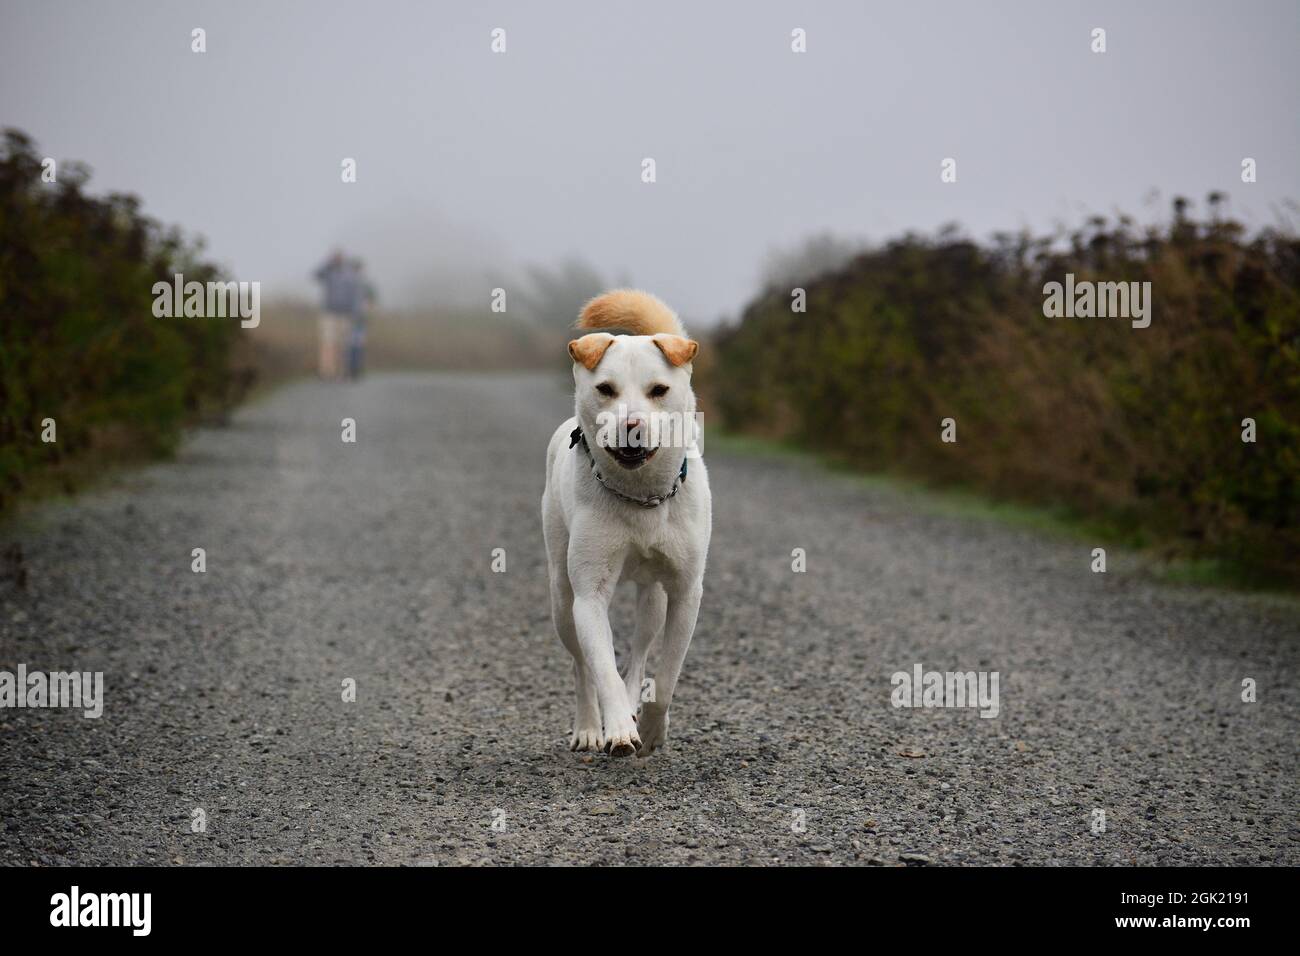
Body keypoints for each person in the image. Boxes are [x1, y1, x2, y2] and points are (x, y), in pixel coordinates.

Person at [312, 251, 363, 381]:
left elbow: (355, 295)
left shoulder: (350, 275)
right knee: (328, 343)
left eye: (339, 258)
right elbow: (316, 275)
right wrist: (328, 264)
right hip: (329, 313)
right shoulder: (328, 272)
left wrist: (356, 313)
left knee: (343, 344)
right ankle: (326, 372)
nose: (337, 260)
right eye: (335, 258)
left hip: (346, 315)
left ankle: (341, 372)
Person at [345, 259, 376, 381]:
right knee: (352, 344)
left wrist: (368, 307)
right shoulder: (350, 282)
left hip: (359, 318)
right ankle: (352, 369)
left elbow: (372, 298)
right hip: (349, 317)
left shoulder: (365, 283)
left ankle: (355, 369)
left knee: (356, 344)